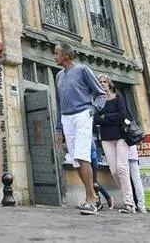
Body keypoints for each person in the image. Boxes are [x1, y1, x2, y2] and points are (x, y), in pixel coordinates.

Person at [53, 43, 107, 215]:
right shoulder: (59, 76)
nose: (55, 56)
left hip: (82, 114)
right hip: (66, 118)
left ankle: (90, 199)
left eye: (57, 53)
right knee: (75, 159)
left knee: (83, 156)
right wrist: (59, 129)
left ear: (66, 55)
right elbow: (58, 104)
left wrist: (92, 110)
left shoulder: (83, 70)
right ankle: (94, 197)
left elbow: (101, 94)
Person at [95, 73, 136, 213]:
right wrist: (109, 118)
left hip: (121, 136)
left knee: (122, 168)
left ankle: (129, 203)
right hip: (106, 137)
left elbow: (122, 115)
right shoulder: (98, 101)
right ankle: (128, 196)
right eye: (100, 82)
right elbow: (96, 119)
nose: (102, 84)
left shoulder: (118, 97)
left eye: (104, 82)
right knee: (113, 170)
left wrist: (105, 116)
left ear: (109, 84)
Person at [128, 143, 147, 213]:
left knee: (128, 182)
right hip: (133, 155)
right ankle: (141, 206)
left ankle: (132, 204)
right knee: (137, 181)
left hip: (125, 156)